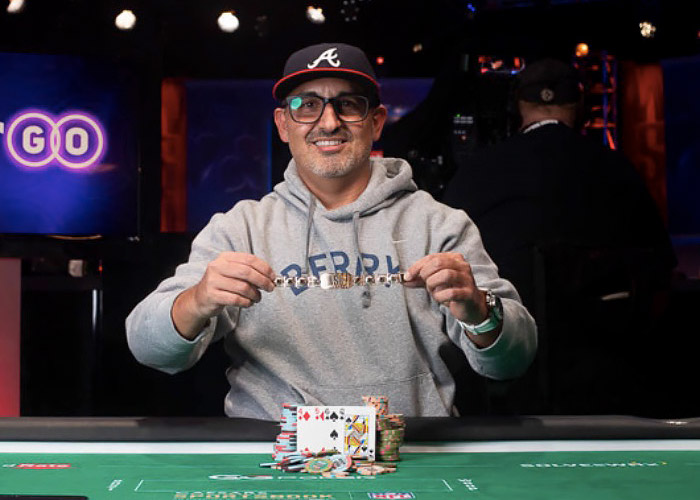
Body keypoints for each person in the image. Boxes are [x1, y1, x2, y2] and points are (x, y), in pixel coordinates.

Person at [126, 43, 537, 420]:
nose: (328, 122)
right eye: (307, 105)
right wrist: (198, 300)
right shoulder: (240, 229)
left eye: (348, 105)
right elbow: (148, 347)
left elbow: (513, 360)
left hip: (409, 451)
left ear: (376, 122)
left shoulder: (439, 225)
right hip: (275, 455)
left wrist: (480, 311)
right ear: (283, 124)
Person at [442, 58, 676, 414]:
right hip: (609, 390)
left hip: (501, 395)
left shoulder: (473, 174)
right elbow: (661, 271)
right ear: (581, 107)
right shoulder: (618, 169)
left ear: (517, 106)